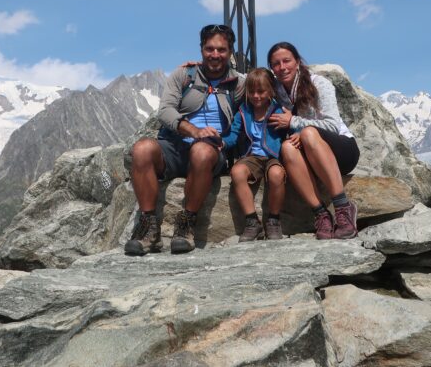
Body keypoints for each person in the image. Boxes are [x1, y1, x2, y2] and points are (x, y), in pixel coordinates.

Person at [125, 24, 245, 256]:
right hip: (176, 145)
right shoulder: (183, 75)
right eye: (209, 49)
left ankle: (186, 225)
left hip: (210, 151)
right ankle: (149, 229)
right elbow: (165, 110)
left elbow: (260, 98)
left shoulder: (239, 84)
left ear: (231, 52)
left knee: (201, 151)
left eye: (221, 49)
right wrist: (192, 130)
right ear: (201, 49)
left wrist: (223, 141)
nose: (215, 55)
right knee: (141, 149)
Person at [267, 42, 361, 239]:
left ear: (298, 61)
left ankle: (343, 207)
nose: (282, 67)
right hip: (308, 155)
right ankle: (320, 213)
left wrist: (293, 122)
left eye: (287, 61)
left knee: (309, 133)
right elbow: (246, 79)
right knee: (287, 147)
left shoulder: (319, 83)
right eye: (276, 64)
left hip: (342, 150)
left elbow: (333, 125)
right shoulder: (276, 88)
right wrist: (205, 65)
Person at [221, 67, 287, 242]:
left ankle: (273, 220)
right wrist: (222, 142)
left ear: (270, 91)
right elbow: (233, 135)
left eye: (261, 91)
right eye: (252, 92)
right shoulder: (244, 111)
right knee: (237, 172)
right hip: (252, 157)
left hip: (274, 156)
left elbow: (290, 129)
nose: (256, 96)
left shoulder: (278, 111)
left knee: (276, 174)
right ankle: (252, 222)